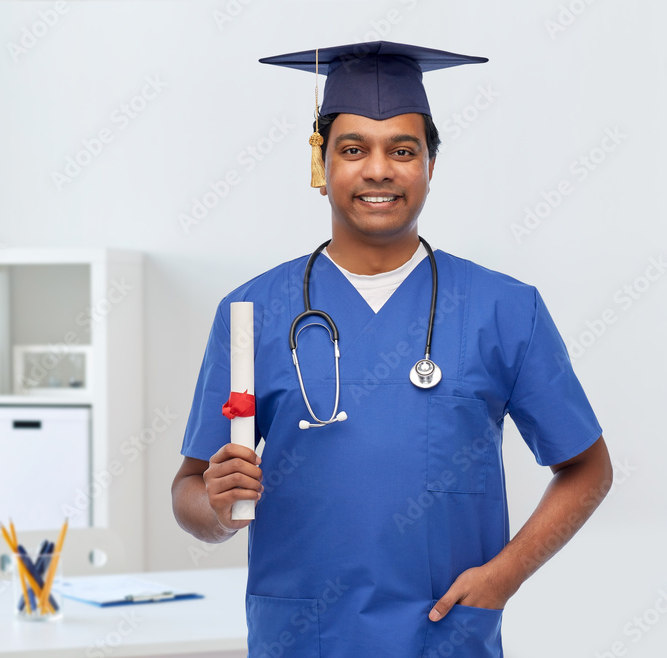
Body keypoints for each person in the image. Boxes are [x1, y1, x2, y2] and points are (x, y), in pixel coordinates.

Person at [171, 41, 612, 658]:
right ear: (321, 164)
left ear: (432, 164)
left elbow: (588, 468)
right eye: (353, 149)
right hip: (304, 638)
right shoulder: (254, 312)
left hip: (447, 637)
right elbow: (189, 491)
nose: (379, 170)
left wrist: (504, 577)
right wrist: (216, 507)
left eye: (403, 150)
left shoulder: (505, 309)